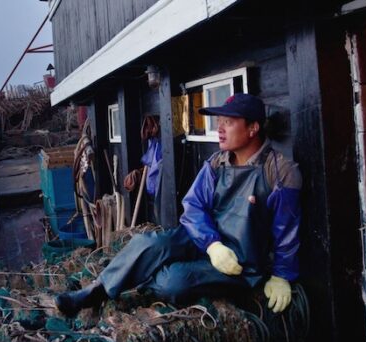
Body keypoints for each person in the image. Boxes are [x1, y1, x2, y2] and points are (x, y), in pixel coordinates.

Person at [55, 93, 301, 316]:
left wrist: (281, 275)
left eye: (229, 122)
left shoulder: (279, 172)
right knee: (148, 243)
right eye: (220, 122)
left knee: (173, 281)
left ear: (253, 128)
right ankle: (95, 292)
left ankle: (141, 276)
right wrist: (213, 244)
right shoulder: (216, 163)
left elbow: (286, 230)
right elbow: (193, 206)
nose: (219, 129)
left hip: (241, 264)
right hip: (206, 241)